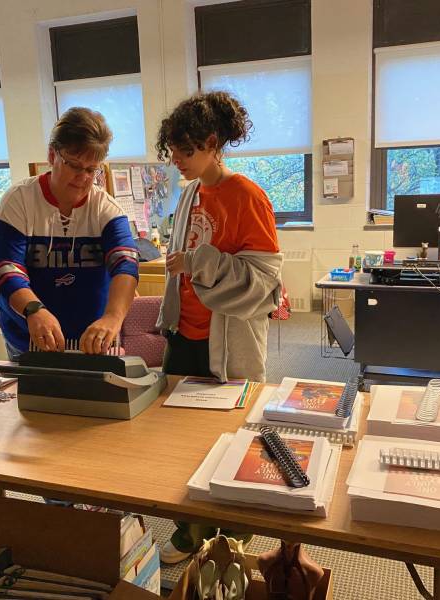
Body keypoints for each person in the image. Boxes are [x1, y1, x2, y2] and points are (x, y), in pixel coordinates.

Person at [155, 91, 283, 563]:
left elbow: (266, 282)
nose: (177, 162)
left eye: (185, 151)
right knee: (179, 437)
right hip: (184, 334)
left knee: (230, 436)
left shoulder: (246, 195)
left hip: (226, 340)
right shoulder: (190, 193)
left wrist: (198, 262)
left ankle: (231, 532)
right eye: (172, 152)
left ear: (212, 143)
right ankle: (188, 529)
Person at [0, 107, 139, 357]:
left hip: (91, 342)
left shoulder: (106, 208)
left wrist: (113, 316)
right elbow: (5, 267)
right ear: (52, 155)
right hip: (29, 339)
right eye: (75, 166)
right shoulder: (18, 201)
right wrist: (34, 309)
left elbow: (126, 263)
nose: (82, 177)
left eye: (92, 169)